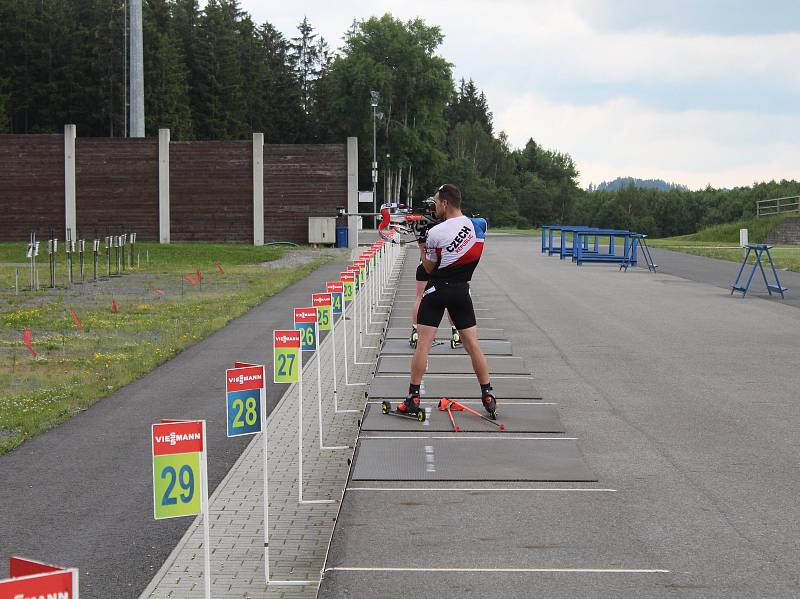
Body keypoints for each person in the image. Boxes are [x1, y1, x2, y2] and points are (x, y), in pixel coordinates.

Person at [398, 184, 496, 418]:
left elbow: (429, 267)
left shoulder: (436, 233)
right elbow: (472, 229)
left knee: (423, 344)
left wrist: (422, 244)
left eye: (436, 202)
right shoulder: (478, 225)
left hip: (438, 290)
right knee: (473, 345)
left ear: (445, 203)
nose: (434, 207)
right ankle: (488, 393)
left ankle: (413, 397)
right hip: (462, 291)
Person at [410, 198, 459, 349]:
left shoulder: (420, 223)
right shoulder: (445, 223)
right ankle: (456, 332)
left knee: (420, 297)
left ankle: (416, 331)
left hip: (424, 264)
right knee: (452, 300)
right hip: (442, 265)